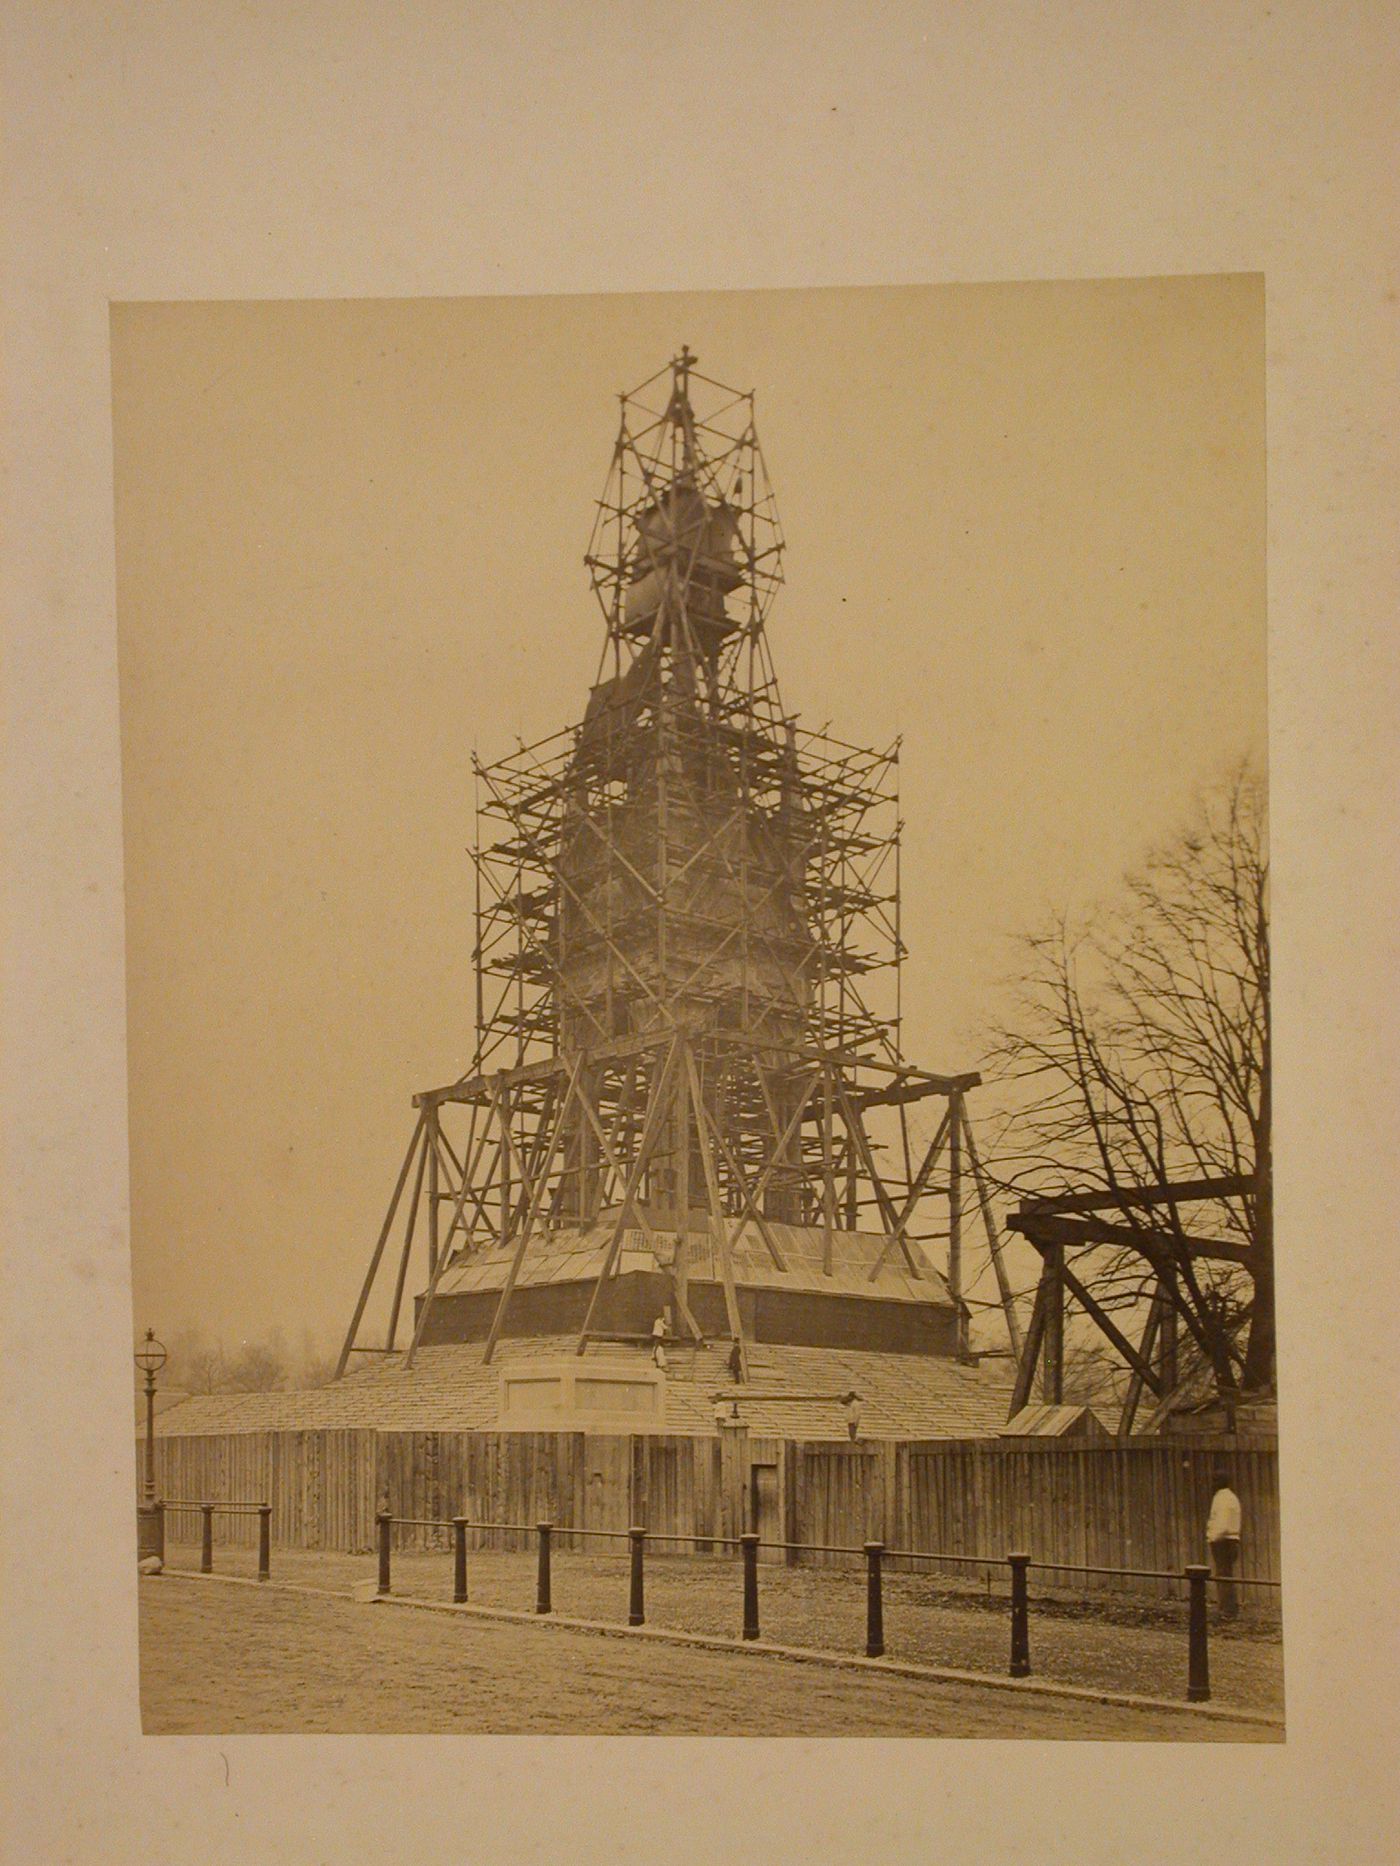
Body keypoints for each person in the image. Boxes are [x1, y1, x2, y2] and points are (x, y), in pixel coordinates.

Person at [1206, 1466, 1242, 1621]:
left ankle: (1227, 1611)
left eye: (1215, 1481)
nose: (1212, 1484)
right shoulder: (1231, 1497)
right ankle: (1229, 1607)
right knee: (1225, 1574)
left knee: (1223, 1575)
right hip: (1230, 1540)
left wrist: (1212, 1536)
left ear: (1221, 1482)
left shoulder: (1222, 1498)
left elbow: (1223, 1524)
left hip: (1224, 1541)